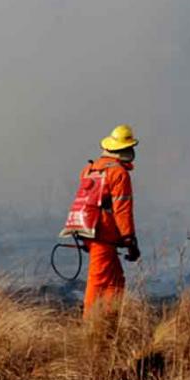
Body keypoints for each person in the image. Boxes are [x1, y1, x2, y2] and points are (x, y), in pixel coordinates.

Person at [79, 125, 141, 316]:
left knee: (115, 280)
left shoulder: (90, 169)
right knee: (98, 280)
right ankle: (91, 325)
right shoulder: (119, 174)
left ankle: (109, 319)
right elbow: (122, 209)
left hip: (88, 230)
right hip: (103, 235)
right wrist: (130, 240)